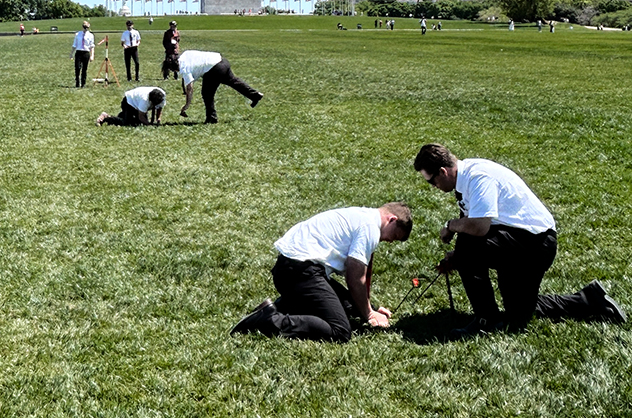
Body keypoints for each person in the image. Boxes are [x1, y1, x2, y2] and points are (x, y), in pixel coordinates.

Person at [413, 143, 626, 334]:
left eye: (432, 181)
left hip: (536, 244)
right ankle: (589, 300)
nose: (434, 187)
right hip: (519, 240)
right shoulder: (466, 177)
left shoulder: (478, 177)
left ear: (443, 171)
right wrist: (457, 256)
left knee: (467, 244)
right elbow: (474, 222)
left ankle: (486, 320)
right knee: (518, 311)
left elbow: (478, 227)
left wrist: (450, 227)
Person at [230, 203, 413, 341]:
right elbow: (355, 277)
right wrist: (369, 314)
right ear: (392, 220)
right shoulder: (370, 228)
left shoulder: (363, 215)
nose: (389, 241)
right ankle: (269, 320)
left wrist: (369, 307)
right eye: (394, 236)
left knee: (350, 306)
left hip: (289, 268)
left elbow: (363, 273)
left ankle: (283, 305)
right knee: (340, 331)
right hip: (300, 271)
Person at [178, 49, 263, 124]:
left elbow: (189, 88)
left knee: (207, 94)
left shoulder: (183, 67)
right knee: (233, 81)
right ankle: (254, 95)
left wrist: (186, 105)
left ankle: (212, 117)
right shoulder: (185, 54)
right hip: (222, 61)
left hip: (214, 68)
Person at [96, 86, 166, 127]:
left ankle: (123, 115)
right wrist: (149, 125)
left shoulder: (161, 96)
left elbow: (159, 108)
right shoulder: (144, 100)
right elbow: (141, 116)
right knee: (126, 123)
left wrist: (158, 120)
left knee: (138, 123)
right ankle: (106, 117)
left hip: (137, 103)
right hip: (129, 102)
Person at [70, 20, 95, 88]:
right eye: (84, 26)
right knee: (77, 68)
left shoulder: (90, 35)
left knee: (84, 69)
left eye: (86, 27)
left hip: (86, 53)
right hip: (78, 52)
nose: (85, 28)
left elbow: (92, 46)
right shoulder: (78, 34)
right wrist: (71, 54)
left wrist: (92, 55)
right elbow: (74, 44)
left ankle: (83, 83)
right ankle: (77, 82)